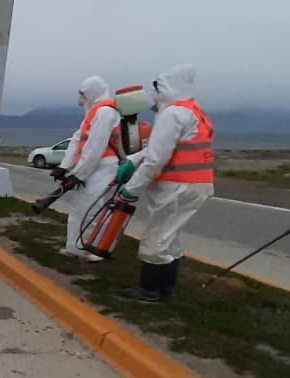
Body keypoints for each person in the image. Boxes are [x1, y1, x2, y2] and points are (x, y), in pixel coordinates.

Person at [115, 65, 213, 301]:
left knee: (156, 238)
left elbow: (157, 159)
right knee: (170, 236)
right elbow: (158, 149)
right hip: (195, 186)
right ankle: (166, 289)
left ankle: (149, 290)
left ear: (169, 87)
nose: (155, 94)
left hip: (175, 187)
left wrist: (130, 189)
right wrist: (133, 160)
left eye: (158, 88)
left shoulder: (172, 115)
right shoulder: (193, 112)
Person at [58, 77, 120, 261]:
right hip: (90, 168)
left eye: (83, 94)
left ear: (93, 92)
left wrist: (79, 173)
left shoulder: (106, 113)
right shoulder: (93, 113)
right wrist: (64, 167)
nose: (80, 98)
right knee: (79, 208)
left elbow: (95, 148)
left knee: (93, 208)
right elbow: (77, 140)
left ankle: (95, 249)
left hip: (103, 167)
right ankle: (75, 247)